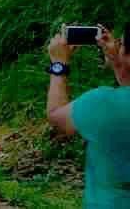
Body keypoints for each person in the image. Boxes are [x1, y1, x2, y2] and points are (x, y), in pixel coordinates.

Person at [46, 25, 130, 208]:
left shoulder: (103, 103)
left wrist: (58, 64)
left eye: (121, 44)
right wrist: (118, 62)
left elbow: (57, 119)